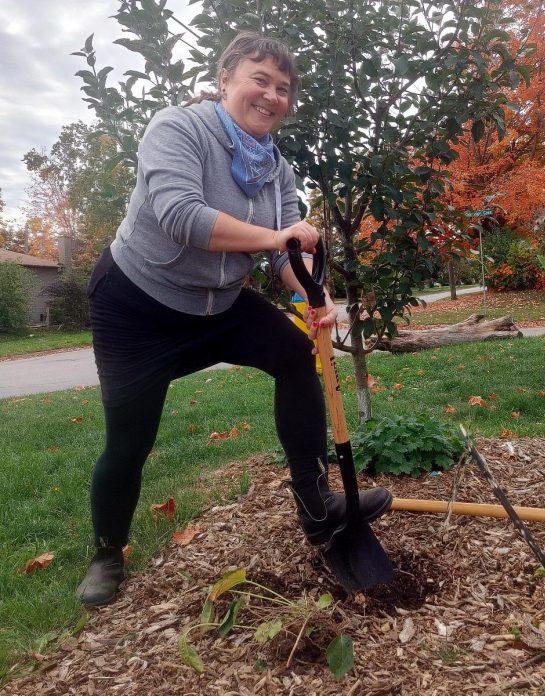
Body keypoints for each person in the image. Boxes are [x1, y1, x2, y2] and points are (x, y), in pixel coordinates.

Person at [77, 32, 392, 607]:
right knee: (129, 441)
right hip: (138, 306)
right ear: (225, 79)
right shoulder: (178, 127)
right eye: (260, 79)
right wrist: (279, 236)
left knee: (295, 355)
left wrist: (314, 297)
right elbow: (180, 217)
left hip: (219, 304)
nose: (273, 95)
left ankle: (317, 507)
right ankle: (105, 554)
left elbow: (285, 259)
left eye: (284, 88)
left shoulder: (278, 170)